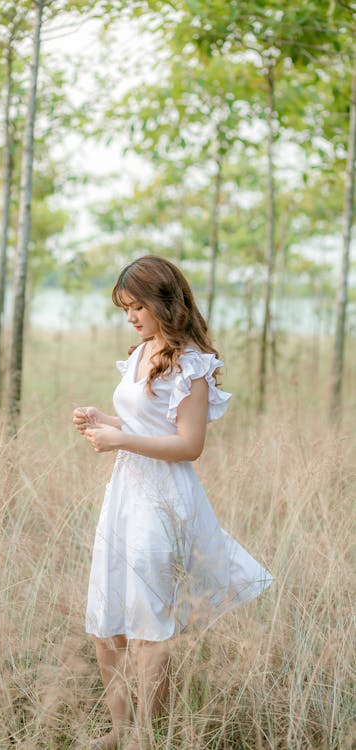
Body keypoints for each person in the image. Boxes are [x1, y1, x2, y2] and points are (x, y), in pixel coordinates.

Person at [73, 256, 273, 749]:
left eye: (137, 307)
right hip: (124, 493)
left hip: (163, 500)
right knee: (105, 614)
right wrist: (107, 420)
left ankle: (145, 735)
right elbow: (146, 426)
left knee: (147, 619)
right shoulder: (143, 351)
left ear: (164, 302)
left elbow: (188, 445)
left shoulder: (191, 364)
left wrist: (119, 441)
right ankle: (119, 729)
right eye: (125, 309)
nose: (131, 318)